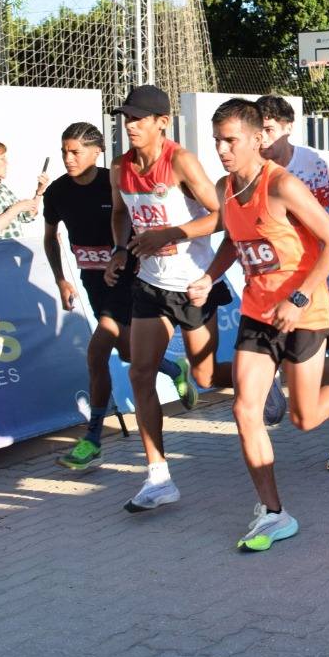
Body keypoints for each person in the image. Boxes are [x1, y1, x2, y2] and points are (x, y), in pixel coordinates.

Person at [185, 99, 329, 550]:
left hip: (304, 310)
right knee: (244, 409)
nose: (222, 149)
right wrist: (208, 277)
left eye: (230, 140)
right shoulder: (226, 188)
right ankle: (274, 513)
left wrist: (300, 294)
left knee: (303, 417)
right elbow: (233, 238)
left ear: (255, 138)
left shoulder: (283, 185)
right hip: (257, 311)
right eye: (217, 141)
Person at [107, 84, 234, 513]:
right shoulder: (119, 167)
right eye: (127, 118)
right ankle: (158, 475)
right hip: (150, 284)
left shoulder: (180, 160)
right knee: (141, 374)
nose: (131, 125)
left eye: (139, 118)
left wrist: (171, 234)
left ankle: (260, 378)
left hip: (193, 281)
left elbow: (221, 217)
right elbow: (120, 213)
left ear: (162, 122)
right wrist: (121, 250)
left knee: (206, 378)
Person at [42, 121, 185, 471]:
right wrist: (61, 278)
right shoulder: (57, 192)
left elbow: (140, 223)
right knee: (125, 350)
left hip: (128, 277)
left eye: (76, 151)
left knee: (97, 351)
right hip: (93, 280)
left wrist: (131, 256)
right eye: (64, 151)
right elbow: (50, 237)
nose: (68, 158)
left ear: (97, 151)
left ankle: (92, 439)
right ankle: (171, 366)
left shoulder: (115, 182)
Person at [255, 96, 329, 424]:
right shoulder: (253, 172)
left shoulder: (318, 162)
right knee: (301, 359)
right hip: (276, 277)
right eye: (257, 131)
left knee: (304, 358)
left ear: (288, 128)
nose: (262, 138)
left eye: (269, 129)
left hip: (323, 277)